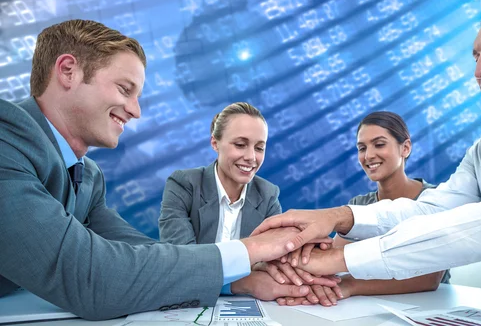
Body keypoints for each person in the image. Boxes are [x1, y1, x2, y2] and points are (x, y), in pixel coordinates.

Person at [252, 0, 481, 304]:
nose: (480, 70)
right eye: (476, 55)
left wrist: (337, 261)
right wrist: (337, 217)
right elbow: (430, 212)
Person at [0, 20, 329, 320]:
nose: (136, 110)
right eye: (125, 89)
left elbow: (140, 253)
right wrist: (249, 250)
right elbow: (91, 279)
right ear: (68, 70)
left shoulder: (88, 176)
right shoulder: (5, 137)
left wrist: (238, 282)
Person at [278, 111, 449, 306]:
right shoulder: (358, 206)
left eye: (379, 144)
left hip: (431, 306)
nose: (368, 156)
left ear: (406, 148)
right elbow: (331, 261)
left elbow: (429, 277)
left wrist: (351, 286)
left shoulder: (435, 200)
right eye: (362, 148)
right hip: (369, 307)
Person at [159, 102, 281, 245]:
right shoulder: (184, 185)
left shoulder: (268, 196)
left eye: (259, 148)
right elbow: (182, 258)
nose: (251, 157)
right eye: (240, 145)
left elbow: (274, 258)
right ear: (215, 143)